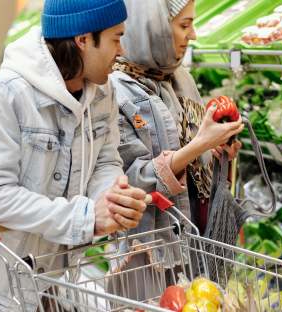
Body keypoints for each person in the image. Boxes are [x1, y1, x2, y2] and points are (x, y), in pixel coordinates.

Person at [0, 0, 148, 311]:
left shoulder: (104, 93)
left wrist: (111, 197)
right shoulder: (1, 96)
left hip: (47, 283)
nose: (122, 52)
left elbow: (105, 159)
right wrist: (86, 218)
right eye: (116, 38)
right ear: (83, 39)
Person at [106, 0, 243, 300]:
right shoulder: (114, 91)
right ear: (152, 29)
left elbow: (197, 162)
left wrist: (217, 152)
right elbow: (130, 182)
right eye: (183, 25)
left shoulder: (180, 79)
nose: (192, 34)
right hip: (150, 254)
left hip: (195, 240)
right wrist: (199, 145)